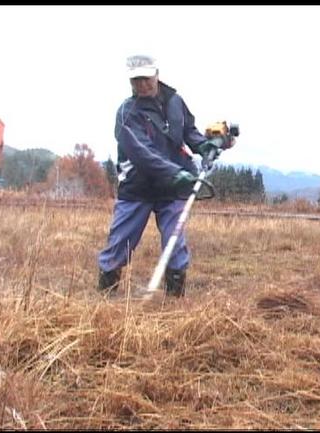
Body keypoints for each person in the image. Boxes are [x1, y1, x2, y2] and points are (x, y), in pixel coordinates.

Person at [96, 54, 227, 297]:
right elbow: (141, 153)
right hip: (138, 185)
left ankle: (174, 303)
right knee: (120, 243)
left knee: (174, 242)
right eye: (136, 80)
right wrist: (174, 173)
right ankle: (106, 299)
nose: (142, 85)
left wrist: (203, 146)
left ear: (157, 74)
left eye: (146, 78)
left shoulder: (175, 101)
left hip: (174, 187)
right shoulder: (127, 113)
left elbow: (188, 130)